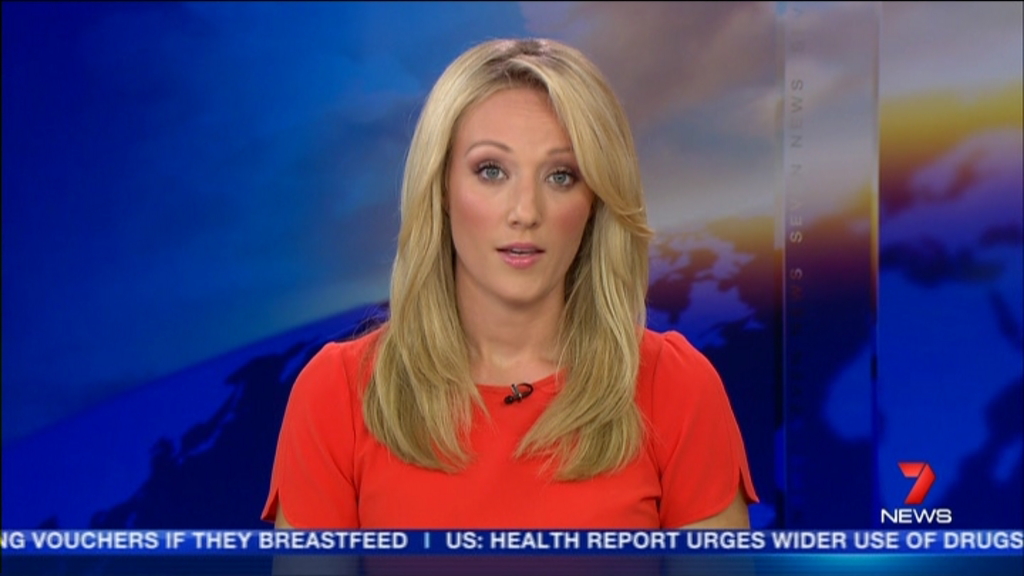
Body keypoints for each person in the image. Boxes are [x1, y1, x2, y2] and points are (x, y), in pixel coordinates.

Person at [262, 37, 758, 533]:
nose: (525, 212)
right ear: (441, 189)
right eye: (491, 171)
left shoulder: (674, 388)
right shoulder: (338, 395)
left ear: (594, 202)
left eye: (561, 176)